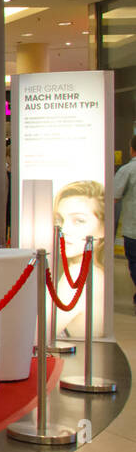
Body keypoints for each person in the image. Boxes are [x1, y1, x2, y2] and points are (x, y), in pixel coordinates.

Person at [54, 179, 106, 337]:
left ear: (103, 227)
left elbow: (37, 335)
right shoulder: (92, 272)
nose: (64, 229)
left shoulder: (80, 274)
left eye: (79, 221)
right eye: (60, 220)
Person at [115, 137, 136, 302]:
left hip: (133, 229)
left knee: (135, 264)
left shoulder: (128, 170)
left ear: (131, 149)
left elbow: (114, 196)